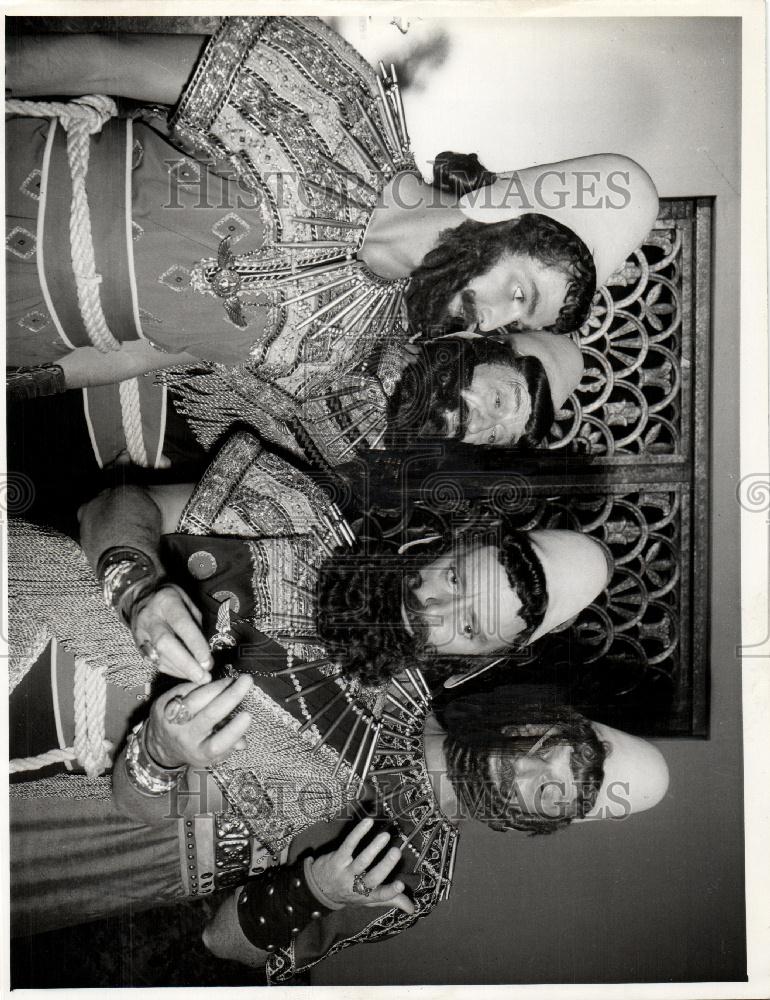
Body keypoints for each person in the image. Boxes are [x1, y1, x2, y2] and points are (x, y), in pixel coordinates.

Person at [8, 515, 668, 981]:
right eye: (544, 743)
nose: (522, 767)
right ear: (531, 713)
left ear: (543, 821)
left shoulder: (419, 877)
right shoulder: (388, 656)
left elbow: (224, 940)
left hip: (114, 847)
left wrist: (317, 887)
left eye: (549, 791)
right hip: (67, 653)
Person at [6, 17, 656, 441]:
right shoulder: (334, 101)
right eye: (519, 294)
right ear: (504, 212)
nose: (486, 325)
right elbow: (98, 61)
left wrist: (31, 378)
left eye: (512, 324)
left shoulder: (350, 347)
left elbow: (154, 350)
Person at [75, 427, 610, 687]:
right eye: (452, 576)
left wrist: (168, 755)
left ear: (478, 661)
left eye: (468, 626)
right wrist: (138, 590)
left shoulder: (355, 754)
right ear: (440, 547)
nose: (432, 607)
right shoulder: (295, 508)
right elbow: (110, 506)